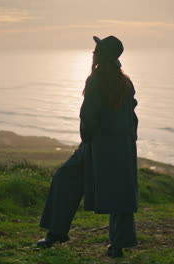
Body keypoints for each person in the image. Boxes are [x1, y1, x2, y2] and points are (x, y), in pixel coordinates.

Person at [37, 35, 139, 258]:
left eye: (97, 50)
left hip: (96, 146)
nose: (93, 53)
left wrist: (87, 139)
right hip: (122, 146)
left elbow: (89, 116)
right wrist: (128, 141)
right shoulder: (125, 82)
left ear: (102, 54)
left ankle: (55, 234)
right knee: (120, 192)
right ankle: (118, 245)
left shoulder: (95, 79)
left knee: (65, 178)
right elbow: (132, 115)